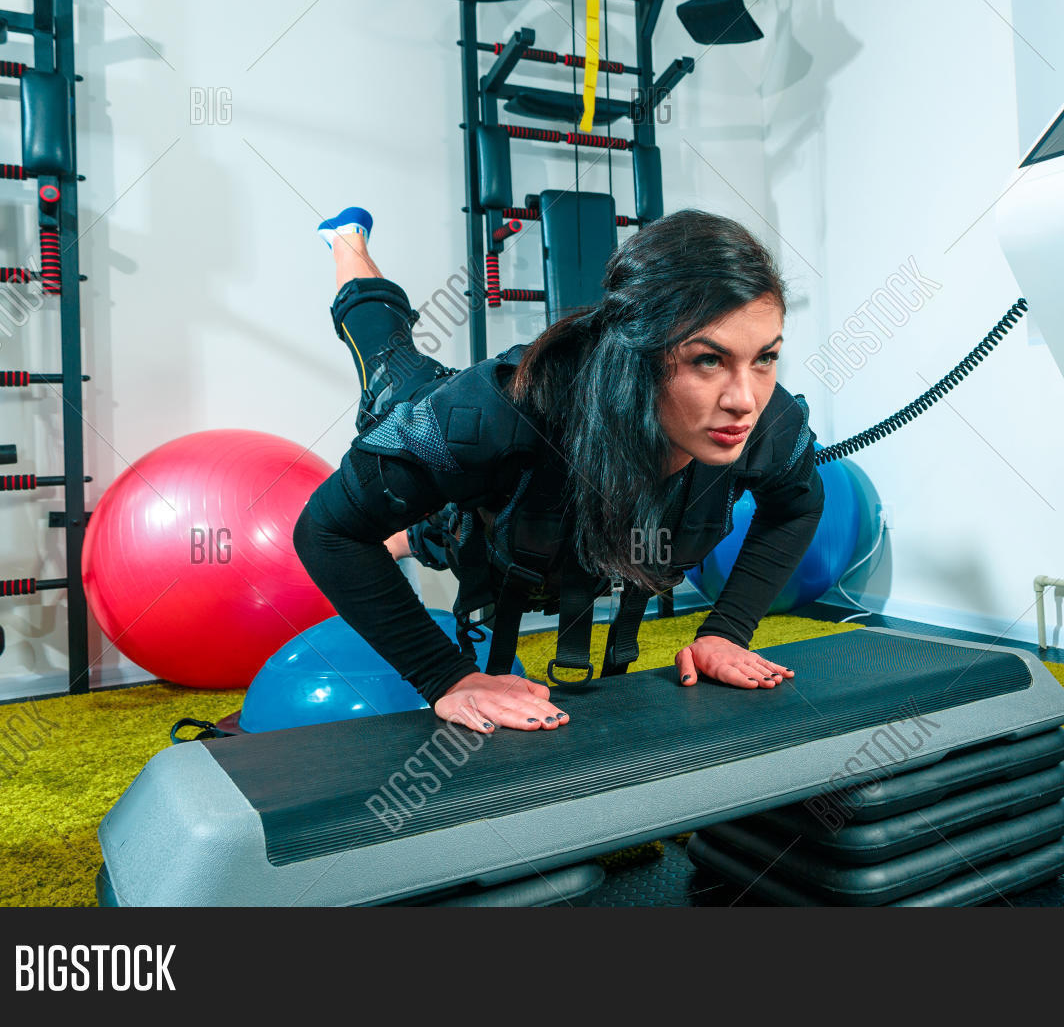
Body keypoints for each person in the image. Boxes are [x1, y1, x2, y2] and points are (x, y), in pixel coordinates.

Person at [292, 206, 825, 735]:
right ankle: (346, 238)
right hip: (482, 498)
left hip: (543, 521)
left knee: (492, 520)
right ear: (637, 354)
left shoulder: (764, 421)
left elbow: (799, 504)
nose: (744, 399)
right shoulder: (484, 419)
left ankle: (413, 535)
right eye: (708, 360)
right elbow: (325, 531)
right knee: (389, 362)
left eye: (764, 357)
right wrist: (447, 677)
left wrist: (728, 630)